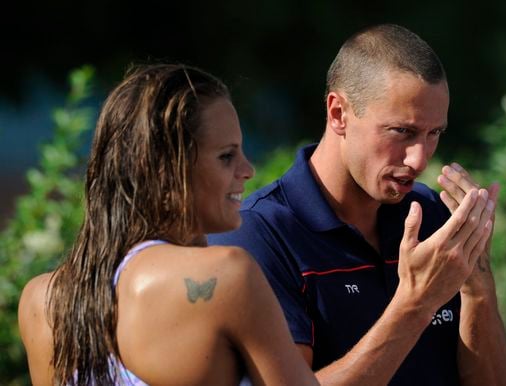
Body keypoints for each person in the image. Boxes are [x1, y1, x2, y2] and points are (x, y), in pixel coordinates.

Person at [208, 24, 506, 385]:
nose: (420, 159)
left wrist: (477, 284)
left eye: (434, 133)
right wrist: (414, 305)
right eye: (402, 132)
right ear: (339, 113)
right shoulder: (258, 234)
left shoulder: (432, 215)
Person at [18, 64, 320, 386]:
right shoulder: (227, 274)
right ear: (165, 170)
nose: (247, 170)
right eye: (226, 156)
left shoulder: (42, 300)